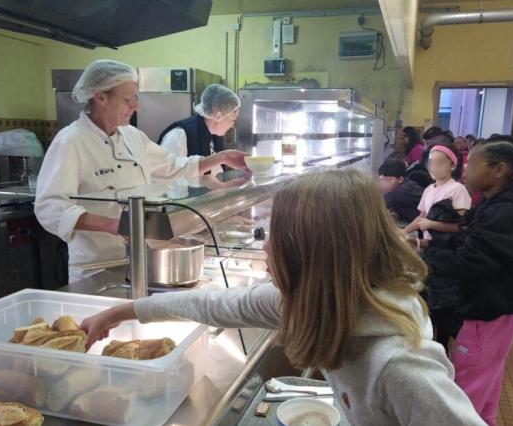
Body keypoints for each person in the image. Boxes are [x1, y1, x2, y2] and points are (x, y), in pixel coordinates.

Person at [80, 170, 485, 426]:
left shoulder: (398, 366)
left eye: (280, 235)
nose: (267, 247)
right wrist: (128, 309)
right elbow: (218, 305)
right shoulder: (311, 301)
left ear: (314, 254)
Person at [35, 60, 248, 283]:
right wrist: (114, 226)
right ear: (100, 97)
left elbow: (174, 165)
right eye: (129, 99)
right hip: (96, 269)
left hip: (142, 261)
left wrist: (222, 157)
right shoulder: (71, 141)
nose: (136, 107)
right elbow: (49, 207)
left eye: (136, 98)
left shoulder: (132, 136)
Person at [415, 135, 513, 425]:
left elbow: (471, 261)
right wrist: (423, 248)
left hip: (488, 309)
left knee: (467, 387)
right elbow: (469, 243)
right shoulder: (494, 204)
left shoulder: (503, 212)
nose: (465, 169)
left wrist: (422, 262)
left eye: (472, 163)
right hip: (500, 308)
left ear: (498, 169)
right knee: (487, 380)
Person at [158, 84, 240, 169]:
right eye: (233, 120)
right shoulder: (178, 136)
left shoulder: (214, 136)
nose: (232, 126)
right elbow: (166, 174)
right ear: (219, 116)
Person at [403, 144, 471, 239]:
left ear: (452, 166)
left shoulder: (458, 189)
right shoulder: (429, 189)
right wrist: (404, 232)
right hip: (428, 245)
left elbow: (460, 226)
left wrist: (432, 224)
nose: (433, 167)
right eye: (431, 162)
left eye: (440, 163)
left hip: (446, 247)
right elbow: (421, 217)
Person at [378, 159, 424, 223]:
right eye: (381, 180)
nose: (384, 184)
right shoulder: (405, 184)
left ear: (400, 179)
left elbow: (377, 203)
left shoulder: (403, 191)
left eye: (388, 180)